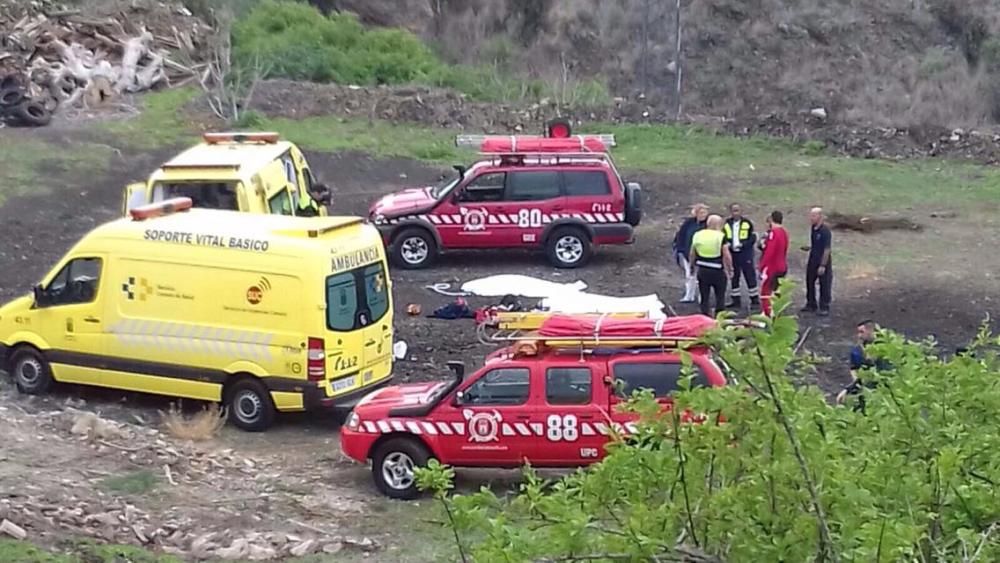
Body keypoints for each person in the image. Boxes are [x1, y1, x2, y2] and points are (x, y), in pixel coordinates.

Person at [836, 320, 891, 410]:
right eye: (858, 332)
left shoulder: (884, 350)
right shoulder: (857, 351)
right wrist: (853, 387)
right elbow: (855, 369)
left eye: (862, 332)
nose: (859, 336)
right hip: (864, 388)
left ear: (871, 331)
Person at [690, 215, 733, 317]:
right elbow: (726, 254)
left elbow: (692, 253)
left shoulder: (698, 235)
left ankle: (704, 316)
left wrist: (691, 266)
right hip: (717, 269)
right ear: (718, 224)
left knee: (704, 295)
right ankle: (719, 316)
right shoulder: (720, 236)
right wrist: (730, 268)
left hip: (702, 268)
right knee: (720, 296)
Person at [723, 203, 758, 310]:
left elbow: (753, 238)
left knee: (750, 275)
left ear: (741, 211)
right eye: (734, 211)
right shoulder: (727, 224)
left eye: (737, 210)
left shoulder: (747, 223)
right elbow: (723, 236)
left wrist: (743, 245)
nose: (736, 213)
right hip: (733, 254)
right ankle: (735, 299)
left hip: (745, 253)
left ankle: (754, 299)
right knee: (734, 276)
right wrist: (727, 244)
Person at [671, 204, 709, 303]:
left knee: (702, 277)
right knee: (690, 275)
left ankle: (703, 297)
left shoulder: (708, 224)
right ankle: (689, 295)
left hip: (703, 255)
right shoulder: (688, 223)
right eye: (701, 212)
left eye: (705, 212)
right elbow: (680, 236)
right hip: (687, 253)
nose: (703, 215)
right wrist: (680, 249)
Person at [801, 207, 833, 316]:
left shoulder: (825, 231)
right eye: (811, 215)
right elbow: (816, 244)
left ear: (820, 216)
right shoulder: (813, 228)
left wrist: (823, 265)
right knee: (809, 281)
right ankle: (811, 303)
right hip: (813, 259)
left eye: (813, 216)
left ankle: (824, 306)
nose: (811, 218)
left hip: (822, 261)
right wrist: (810, 248)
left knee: (824, 284)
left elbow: (827, 249)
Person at [758, 210, 789, 317]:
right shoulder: (784, 232)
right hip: (782, 265)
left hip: (772, 267)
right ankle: (775, 311)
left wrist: (762, 266)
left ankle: (767, 313)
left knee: (765, 291)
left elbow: (769, 252)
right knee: (776, 290)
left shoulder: (773, 233)